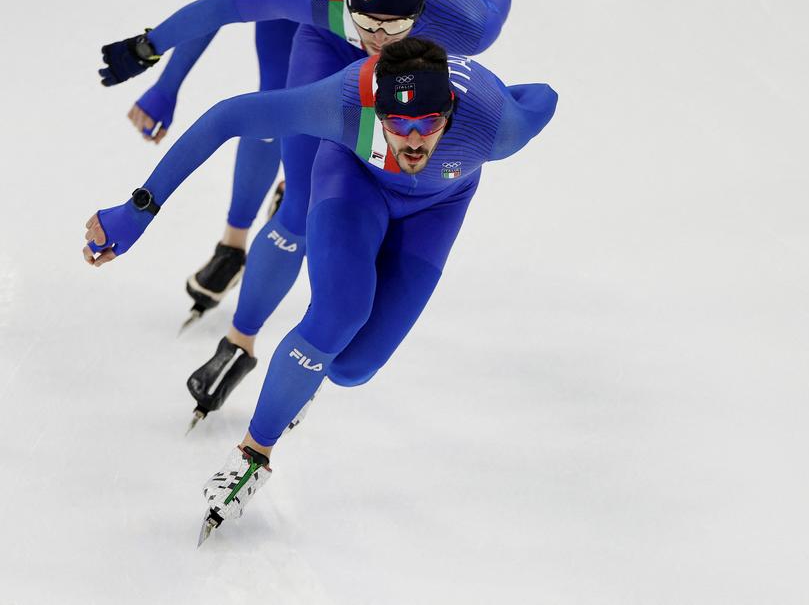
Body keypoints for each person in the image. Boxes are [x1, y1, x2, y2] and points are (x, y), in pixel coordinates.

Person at [82, 37, 558, 541]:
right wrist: (140, 208)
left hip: (437, 209)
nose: (415, 141)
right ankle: (252, 455)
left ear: (452, 110)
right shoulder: (344, 103)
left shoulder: (499, 125)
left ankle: (307, 366)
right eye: (399, 125)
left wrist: (491, 90)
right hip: (352, 182)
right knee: (339, 315)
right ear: (379, 112)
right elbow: (226, 118)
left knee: (353, 368)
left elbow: (543, 95)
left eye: (429, 124)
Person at [98, 0, 513, 423]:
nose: (378, 39)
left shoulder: (467, 24)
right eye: (366, 21)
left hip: (412, 94)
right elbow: (228, 2)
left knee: (344, 203)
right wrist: (150, 47)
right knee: (299, 205)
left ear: (422, 14)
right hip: (332, 60)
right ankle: (240, 340)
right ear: (348, 1)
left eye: (395, 24)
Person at [99, 0, 470, 319]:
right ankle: (233, 242)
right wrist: (167, 79)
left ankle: (302, 193)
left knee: (363, 108)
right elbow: (224, 0)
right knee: (273, 108)